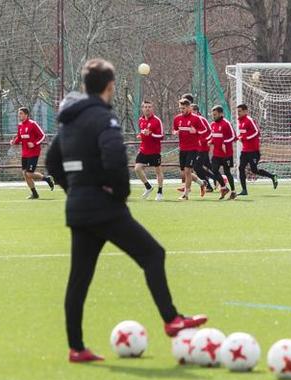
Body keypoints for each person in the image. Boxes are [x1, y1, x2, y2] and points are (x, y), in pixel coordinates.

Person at [45, 58, 207, 363]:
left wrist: (74, 189)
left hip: (78, 208)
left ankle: (76, 348)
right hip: (104, 207)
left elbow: (52, 162)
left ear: (85, 86)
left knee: (79, 278)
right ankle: (171, 319)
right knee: (152, 254)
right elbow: (116, 157)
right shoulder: (103, 117)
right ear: (110, 87)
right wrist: (118, 194)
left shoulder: (69, 119)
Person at [10, 107, 54, 198]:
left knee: (29, 173)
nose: (19, 115)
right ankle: (34, 194)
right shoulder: (20, 125)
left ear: (26, 115)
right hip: (25, 153)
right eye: (19, 114)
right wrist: (14, 142)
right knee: (25, 174)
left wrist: (34, 143)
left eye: (21, 113)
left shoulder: (33, 124)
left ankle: (47, 178)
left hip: (33, 153)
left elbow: (42, 136)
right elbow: (19, 137)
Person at [236, 104, 278, 196]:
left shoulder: (249, 120)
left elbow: (256, 132)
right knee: (241, 168)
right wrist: (239, 137)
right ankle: (244, 190)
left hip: (253, 151)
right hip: (245, 150)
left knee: (254, 170)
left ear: (245, 111)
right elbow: (243, 134)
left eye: (240, 111)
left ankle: (272, 176)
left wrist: (245, 138)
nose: (238, 113)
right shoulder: (240, 121)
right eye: (237, 111)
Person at [172, 99, 207, 200]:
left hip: (193, 148)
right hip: (182, 148)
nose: (182, 110)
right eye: (180, 108)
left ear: (189, 107)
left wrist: (195, 131)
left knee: (187, 170)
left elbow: (204, 130)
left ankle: (186, 194)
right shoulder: (177, 118)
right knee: (184, 172)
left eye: (183, 108)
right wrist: (175, 132)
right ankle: (202, 183)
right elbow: (174, 129)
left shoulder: (196, 118)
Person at [134, 100, 164, 201]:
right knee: (137, 168)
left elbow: (161, 136)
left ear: (152, 108)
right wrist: (141, 135)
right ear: (142, 109)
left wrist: (151, 134)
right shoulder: (141, 120)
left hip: (155, 151)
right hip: (143, 150)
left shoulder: (157, 120)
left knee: (158, 171)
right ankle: (148, 187)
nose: (147, 108)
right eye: (145, 107)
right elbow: (143, 133)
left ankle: (160, 192)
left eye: (149, 107)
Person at [209, 105, 237, 200]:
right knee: (214, 170)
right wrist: (211, 141)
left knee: (227, 172)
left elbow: (234, 137)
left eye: (215, 114)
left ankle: (233, 191)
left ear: (221, 114)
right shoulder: (212, 124)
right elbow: (214, 136)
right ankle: (224, 187)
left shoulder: (226, 124)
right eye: (213, 115)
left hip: (226, 154)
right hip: (216, 153)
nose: (214, 116)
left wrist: (225, 143)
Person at [192, 103, 216, 194]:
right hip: (195, 148)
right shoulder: (191, 120)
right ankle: (216, 181)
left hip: (202, 147)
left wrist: (204, 141)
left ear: (197, 111)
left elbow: (210, 132)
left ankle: (212, 182)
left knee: (197, 167)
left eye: (192, 110)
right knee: (206, 166)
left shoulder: (201, 119)